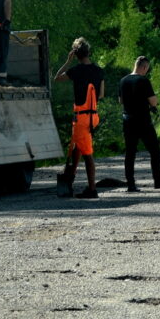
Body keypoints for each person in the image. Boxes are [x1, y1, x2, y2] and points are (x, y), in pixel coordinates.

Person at [54, 37, 104, 199]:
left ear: (75, 54)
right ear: (89, 52)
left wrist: (68, 61)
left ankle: (92, 189)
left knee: (87, 152)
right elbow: (101, 94)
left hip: (81, 118)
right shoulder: (99, 71)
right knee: (77, 148)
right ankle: (69, 178)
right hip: (93, 116)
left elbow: (57, 77)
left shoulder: (76, 70)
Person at [118, 56, 160, 192]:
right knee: (154, 150)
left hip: (128, 120)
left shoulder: (123, 81)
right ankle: (158, 181)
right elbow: (153, 101)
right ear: (144, 67)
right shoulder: (143, 80)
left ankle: (131, 184)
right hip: (142, 120)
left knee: (130, 153)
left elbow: (121, 101)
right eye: (147, 69)